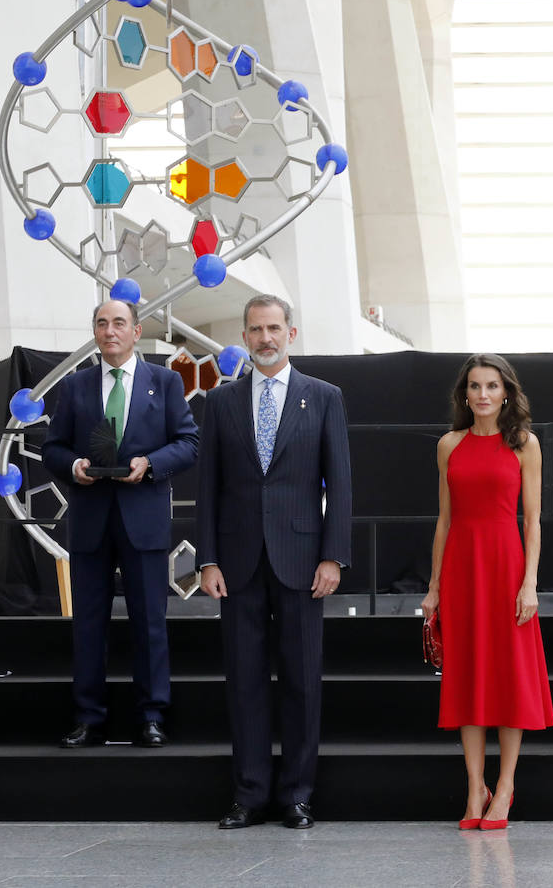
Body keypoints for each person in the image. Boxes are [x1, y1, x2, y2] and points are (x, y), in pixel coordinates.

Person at [195, 295, 352, 830]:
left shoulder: (324, 397)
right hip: (236, 564)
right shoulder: (219, 404)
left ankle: (298, 795)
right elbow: (208, 489)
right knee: (244, 681)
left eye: (274, 329)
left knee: (304, 681)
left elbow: (341, 484)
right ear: (244, 337)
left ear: (292, 333)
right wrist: (207, 560)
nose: (265, 338)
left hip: (304, 560)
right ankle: (250, 794)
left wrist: (333, 555)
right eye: (255, 330)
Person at [43, 299, 199, 749]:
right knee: (88, 623)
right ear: (94, 332)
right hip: (91, 522)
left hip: (144, 521)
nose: (109, 331)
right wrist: (72, 466)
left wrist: (150, 463)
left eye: (118, 323)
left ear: (136, 330)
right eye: (101, 323)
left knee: (149, 622)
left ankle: (152, 715)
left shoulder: (166, 382)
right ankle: (90, 717)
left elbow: (188, 443)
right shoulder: (75, 387)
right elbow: (53, 448)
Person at [420, 354, 553, 831]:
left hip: (506, 568)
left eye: (491, 386)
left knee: (509, 677)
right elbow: (444, 519)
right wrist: (434, 587)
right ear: (464, 394)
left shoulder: (525, 445)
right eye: (474, 386)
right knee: (468, 677)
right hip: (461, 568)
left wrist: (530, 583)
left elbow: (534, 519)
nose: (482, 394)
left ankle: (506, 787)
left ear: (506, 392)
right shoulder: (448, 445)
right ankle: (474, 787)